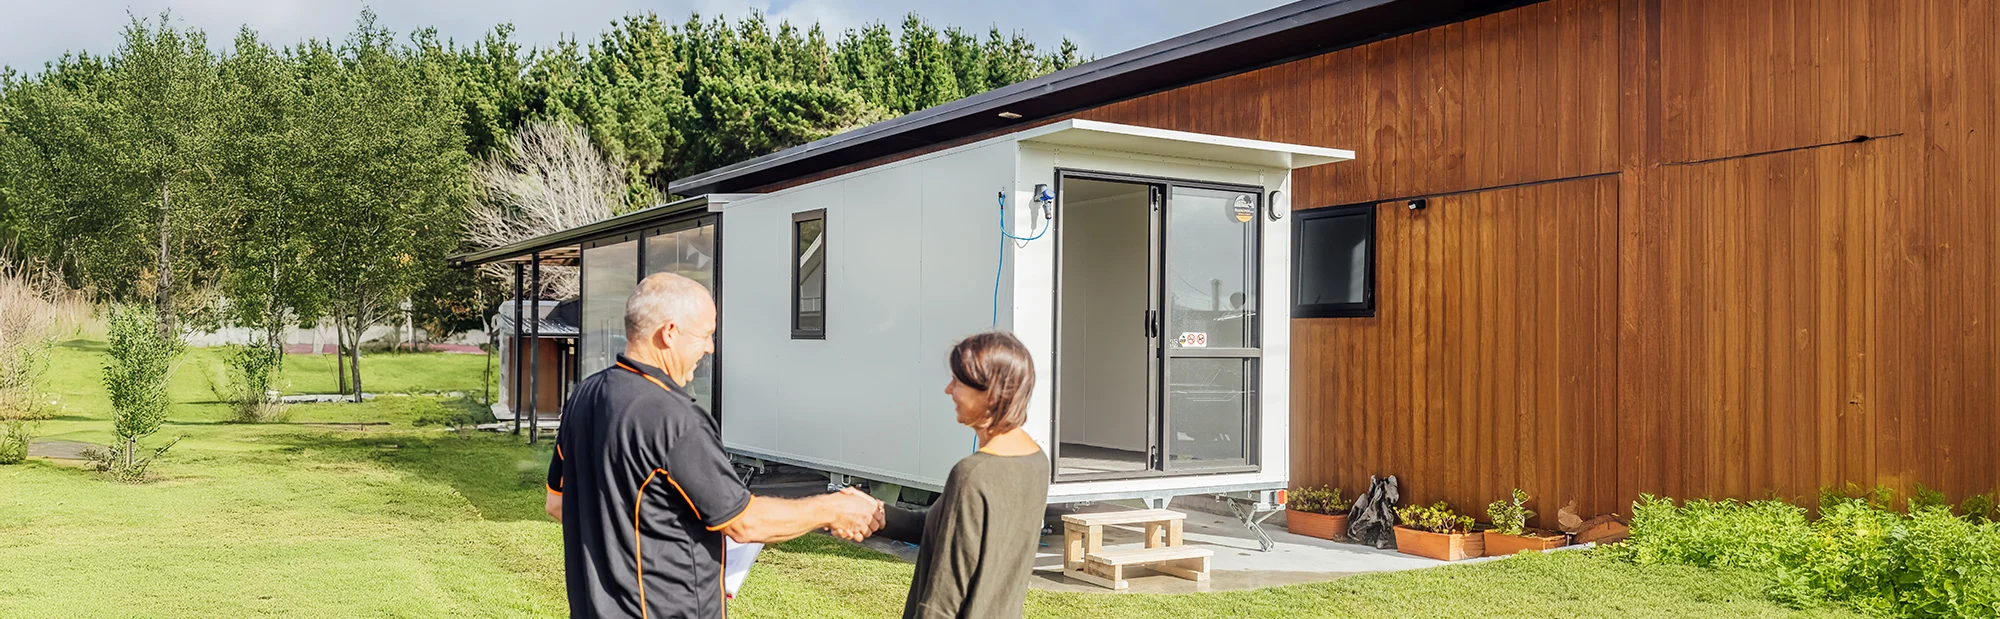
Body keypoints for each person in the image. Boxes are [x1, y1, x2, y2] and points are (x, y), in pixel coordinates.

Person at [544, 273, 883, 619]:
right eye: (705, 335)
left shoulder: (584, 397)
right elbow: (744, 522)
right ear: (670, 333)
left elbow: (558, 503)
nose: (710, 348)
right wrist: (832, 510)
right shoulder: (674, 419)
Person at [878, 331, 1051, 619]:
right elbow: (948, 530)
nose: (948, 390)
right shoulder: (1035, 461)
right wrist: (877, 515)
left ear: (990, 393)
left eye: (957, 382)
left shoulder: (973, 475)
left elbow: (942, 603)